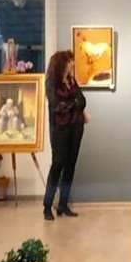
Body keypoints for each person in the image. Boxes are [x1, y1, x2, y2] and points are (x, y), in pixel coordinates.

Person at [43, 49, 90, 221]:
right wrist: (74, 104)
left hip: (76, 126)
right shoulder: (52, 83)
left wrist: (73, 105)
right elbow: (57, 106)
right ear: (62, 64)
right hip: (59, 129)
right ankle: (47, 205)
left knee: (70, 165)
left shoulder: (71, 81)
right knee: (58, 164)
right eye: (70, 61)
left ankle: (63, 204)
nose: (73, 64)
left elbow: (82, 101)